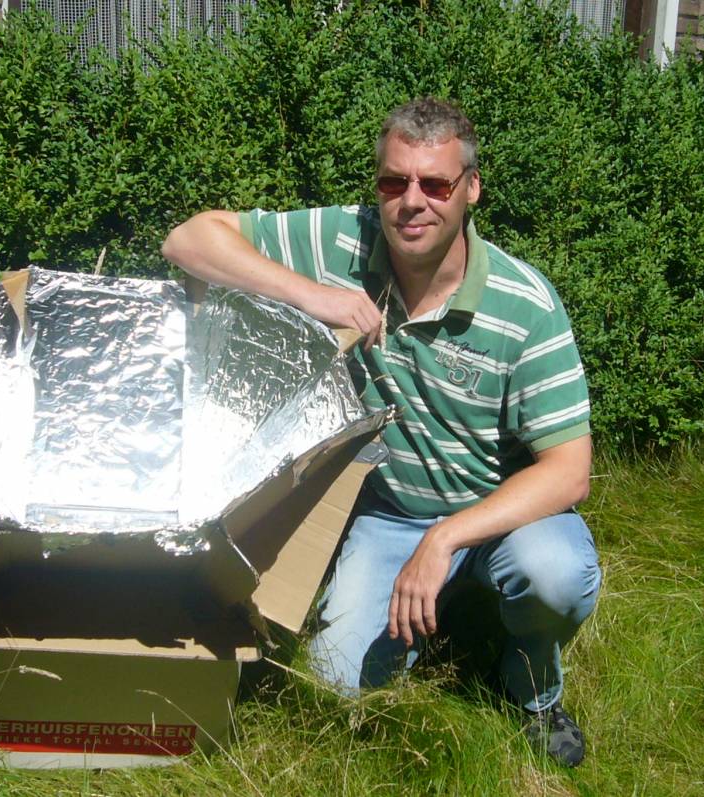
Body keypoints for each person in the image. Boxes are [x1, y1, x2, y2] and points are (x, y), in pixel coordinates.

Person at [161, 97, 601, 768]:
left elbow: (570, 472)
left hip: (502, 516)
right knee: (336, 687)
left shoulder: (526, 306)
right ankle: (431, 612)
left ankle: (531, 680)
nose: (411, 202)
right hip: (392, 513)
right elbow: (188, 242)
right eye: (394, 182)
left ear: (471, 190)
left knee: (556, 575)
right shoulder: (345, 240)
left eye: (436, 185)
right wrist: (315, 296)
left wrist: (445, 538)